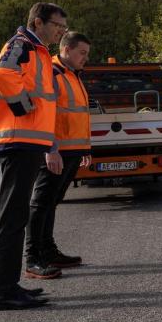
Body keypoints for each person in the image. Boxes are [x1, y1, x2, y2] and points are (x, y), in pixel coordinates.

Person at [0, 2, 67, 310]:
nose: (61, 31)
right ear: (38, 22)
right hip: (17, 139)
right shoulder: (22, 44)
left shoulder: (39, 51)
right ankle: (4, 291)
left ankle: (4, 286)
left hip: (27, 142)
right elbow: (3, 73)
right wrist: (23, 106)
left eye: (63, 27)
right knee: (12, 218)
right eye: (57, 25)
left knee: (15, 217)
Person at [25, 32, 92, 278]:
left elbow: (75, 114)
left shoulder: (72, 74)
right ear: (66, 49)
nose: (85, 58)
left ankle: (49, 252)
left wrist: (84, 148)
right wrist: (50, 149)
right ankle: (33, 259)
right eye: (82, 53)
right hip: (56, 151)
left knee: (52, 202)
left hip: (71, 151)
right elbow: (44, 114)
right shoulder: (52, 73)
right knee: (41, 203)